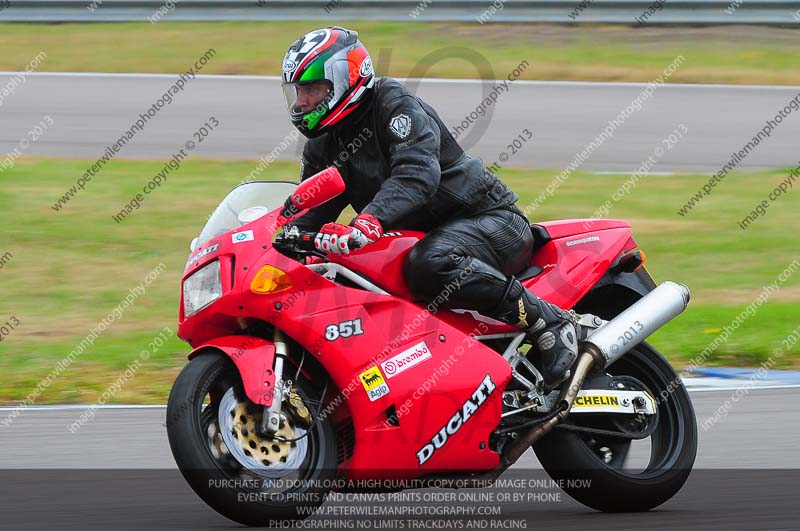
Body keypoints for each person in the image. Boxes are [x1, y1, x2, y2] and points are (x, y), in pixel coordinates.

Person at [282, 26, 578, 386]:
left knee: (429, 263)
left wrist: (368, 221)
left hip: (489, 221)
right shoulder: (323, 145)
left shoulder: (393, 106)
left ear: (347, 78)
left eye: (311, 89)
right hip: (427, 238)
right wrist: (279, 238)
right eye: (298, 91)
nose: (301, 103)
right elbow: (311, 210)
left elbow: (418, 173)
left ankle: (551, 322)